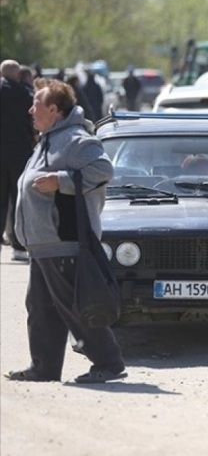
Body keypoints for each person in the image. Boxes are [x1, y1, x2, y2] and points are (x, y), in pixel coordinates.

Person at [5, 78, 125, 384]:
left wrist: (61, 180)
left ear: (55, 110)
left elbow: (102, 170)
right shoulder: (46, 139)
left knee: (76, 307)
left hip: (65, 243)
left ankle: (109, 363)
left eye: (37, 105)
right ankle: (44, 368)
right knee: (41, 308)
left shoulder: (76, 140)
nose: (31, 110)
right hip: (43, 245)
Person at [0, 59, 35, 262]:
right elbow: (33, 121)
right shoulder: (26, 94)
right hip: (20, 152)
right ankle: (18, 246)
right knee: (18, 198)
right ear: (17, 74)